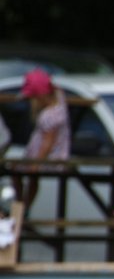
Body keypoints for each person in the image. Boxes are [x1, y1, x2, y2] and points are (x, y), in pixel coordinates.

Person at [15, 68, 71, 213]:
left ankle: (22, 204)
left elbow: (48, 142)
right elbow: (58, 92)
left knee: (17, 172)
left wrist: (37, 162)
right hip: (55, 158)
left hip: (48, 159)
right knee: (26, 175)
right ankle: (23, 205)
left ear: (38, 97)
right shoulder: (60, 106)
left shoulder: (48, 115)